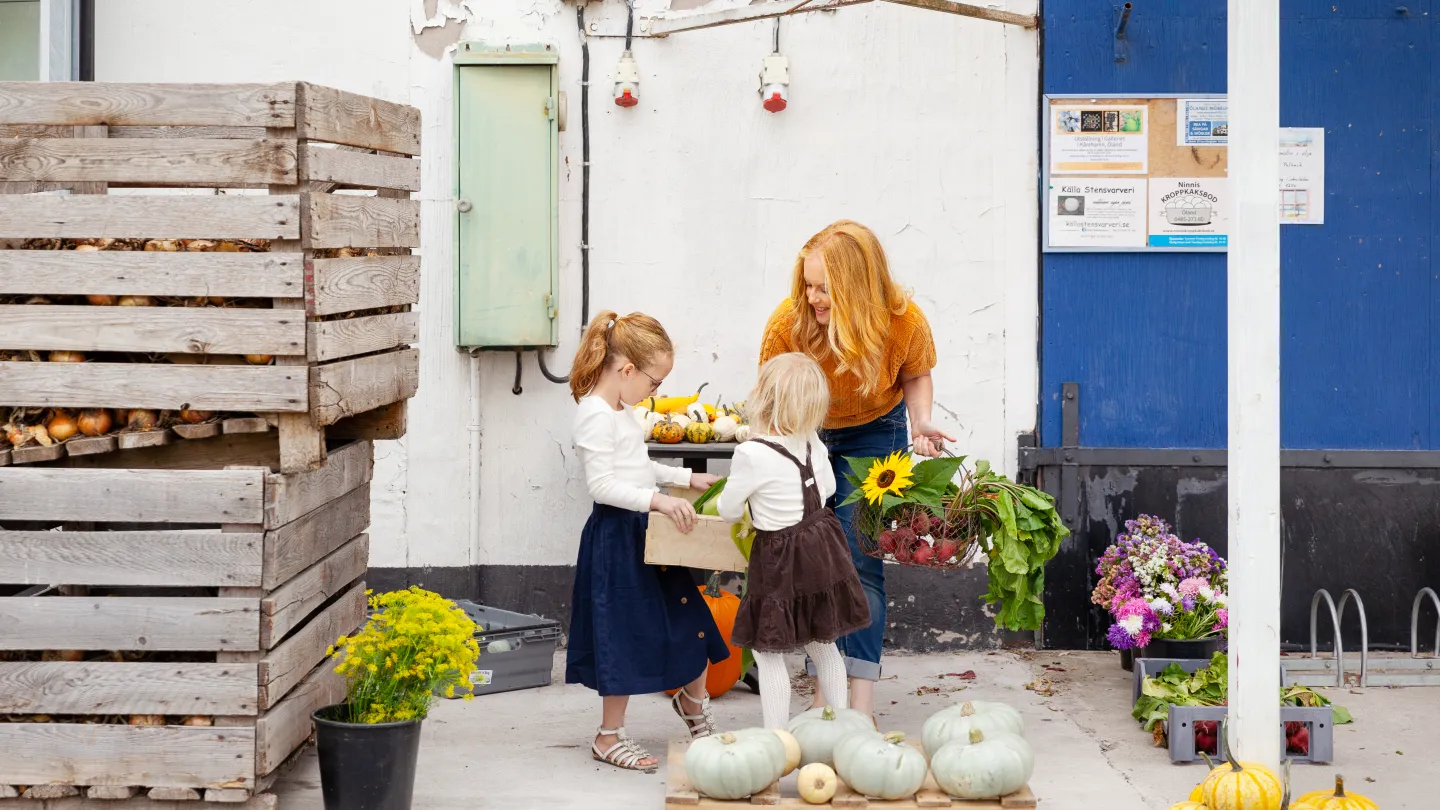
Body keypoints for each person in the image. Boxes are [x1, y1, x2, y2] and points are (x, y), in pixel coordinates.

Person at [758, 220, 956, 717]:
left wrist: (922, 421)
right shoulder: (790, 322)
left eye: (825, 288)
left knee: (859, 562)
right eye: (808, 284)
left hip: (875, 432)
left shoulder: (902, 321)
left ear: (859, 288)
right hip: (808, 433)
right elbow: (770, 396)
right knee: (812, 563)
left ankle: (860, 703)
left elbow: (916, 374)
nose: (814, 297)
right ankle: (826, 697)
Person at [565, 310, 731, 772]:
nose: (655, 392)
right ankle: (607, 735)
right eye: (654, 382)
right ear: (626, 371)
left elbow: (639, 468)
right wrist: (656, 502)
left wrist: (685, 477)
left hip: (647, 535)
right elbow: (601, 486)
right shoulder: (594, 415)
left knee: (690, 617)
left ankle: (692, 705)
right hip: (617, 540)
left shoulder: (623, 411)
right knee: (621, 634)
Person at [717, 353, 871, 730]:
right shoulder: (812, 443)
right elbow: (830, 488)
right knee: (823, 643)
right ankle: (842, 728)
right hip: (822, 550)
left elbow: (727, 509)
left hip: (780, 558)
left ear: (763, 397)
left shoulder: (750, 453)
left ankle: (776, 739)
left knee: (768, 652)